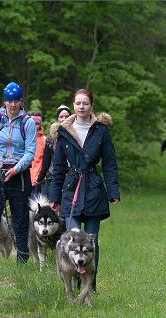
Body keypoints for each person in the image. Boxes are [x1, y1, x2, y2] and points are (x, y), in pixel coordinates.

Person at [50, 89, 120, 293]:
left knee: (92, 239)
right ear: (73, 105)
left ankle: (91, 285)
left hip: (93, 189)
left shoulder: (101, 130)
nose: (81, 107)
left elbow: (109, 163)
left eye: (85, 103)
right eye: (78, 103)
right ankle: (72, 281)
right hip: (71, 188)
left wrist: (112, 191)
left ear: (91, 105)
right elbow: (59, 167)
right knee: (71, 237)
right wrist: (54, 197)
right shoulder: (62, 132)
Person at [0, 82, 36, 276]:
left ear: (21, 101)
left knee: (19, 219)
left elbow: (30, 152)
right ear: (4, 102)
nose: (12, 105)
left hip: (19, 175)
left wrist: (16, 169)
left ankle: (22, 258)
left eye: (16, 101)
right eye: (9, 101)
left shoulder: (27, 123)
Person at [36, 105, 70, 197]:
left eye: (67, 116)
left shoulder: (76, 135)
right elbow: (46, 161)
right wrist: (40, 178)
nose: (64, 119)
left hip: (72, 177)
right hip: (53, 177)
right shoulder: (51, 138)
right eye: (61, 117)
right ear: (57, 119)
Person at [29, 111, 46, 195]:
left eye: (37, 123)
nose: (35, 125)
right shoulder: (22, 139)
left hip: (41, 182)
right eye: (33, 123)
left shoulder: (45, 140)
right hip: (24, 182)